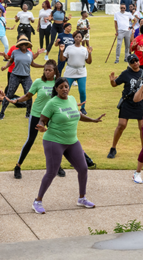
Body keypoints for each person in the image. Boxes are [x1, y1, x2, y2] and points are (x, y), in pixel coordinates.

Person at [32, 77, 105, 214]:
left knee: (83, 168)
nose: (64, 89)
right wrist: (41, 127)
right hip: (54, 141)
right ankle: (37, 201)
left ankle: (82, 198)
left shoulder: (71, 99)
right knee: (52, 172)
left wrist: (93, 120)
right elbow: (42, 119)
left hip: (72, 141)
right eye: (61, 87)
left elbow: (77, 114)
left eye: (66, 86)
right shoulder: (52, 103)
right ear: (56, 89)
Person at [6, 60, 60, 179]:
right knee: (30, 140)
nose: (47, 72)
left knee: (55, 141)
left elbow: (62, 98)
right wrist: (17, 100)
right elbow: (28, 95)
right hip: (37, 115)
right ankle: (18, 166)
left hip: (51, 116)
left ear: (55, 71)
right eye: (45, 70)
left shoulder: (58, 83)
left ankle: (57, 166)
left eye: (50, 70)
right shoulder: (38, 82)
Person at [107, 54, 143, 159]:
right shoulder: (125, 74)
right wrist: (112, 81)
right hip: (127, 103)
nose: (135, 63)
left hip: (140, 104)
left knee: (142, 127)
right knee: (121, 125)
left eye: (136, 60)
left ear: (139, 61)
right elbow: (114, 85)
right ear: (129, 64)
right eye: (132, 62)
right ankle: (113, 148)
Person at [0, 37, 44, 120]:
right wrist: (5, 67)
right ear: (19, 45)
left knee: (29, 94)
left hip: (26, 76)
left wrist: (43, 66)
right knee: (10, 94)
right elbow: (11, 61)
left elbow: (32, 64)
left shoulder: (30, 53)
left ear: (27, 45)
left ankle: (28, 113)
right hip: (15, 75)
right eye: (22, 44)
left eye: (25, 44)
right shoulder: (15, 52)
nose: (23, 45)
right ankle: (2, 113)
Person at [59, 30, 92, 115]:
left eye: (79, 37)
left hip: (81, 72)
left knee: (82, 91)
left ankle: (83, 108)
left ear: (82, 39)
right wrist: (61, 51)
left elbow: (89, 62)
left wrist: (89, 53)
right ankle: (64, 106)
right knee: (65, 90)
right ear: (74, 38)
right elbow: (62, 59)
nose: (78, 38)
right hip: (70, 71)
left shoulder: (84, 49)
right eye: (76, 37)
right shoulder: (69, 48)